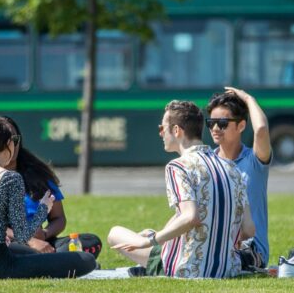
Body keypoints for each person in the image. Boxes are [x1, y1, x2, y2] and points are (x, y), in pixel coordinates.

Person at [107, 100, 255, 279]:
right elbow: (248, 229)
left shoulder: (178, 166)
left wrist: (149, 241)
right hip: (226, 268)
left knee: (115, 233)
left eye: (162, 128)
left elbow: (190, 216)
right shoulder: (231, 168)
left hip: (186, 268)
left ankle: (151, 258)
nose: (161, 133)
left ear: (176, 131)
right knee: (148, 232)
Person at [0, 116, 96, 280]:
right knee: (86, 260)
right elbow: (23, 234)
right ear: (9, 143)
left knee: (31, 254)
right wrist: (44, 207)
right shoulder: (9, 177)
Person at [0, 118, 102, 258]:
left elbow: (58, 218)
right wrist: (30, 241)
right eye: (4, 141)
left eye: (15, 139)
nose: (11, 146)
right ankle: (54, 262)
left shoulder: (37, 174)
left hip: (42, 244)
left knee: (90, 242)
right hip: (6, 244)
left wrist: (45, 233)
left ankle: (48, 259)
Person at [206, 87, 272, 268]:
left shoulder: (254, 161)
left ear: (241, 125)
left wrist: (248, 98)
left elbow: (261, 130)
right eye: (211, 123)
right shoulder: (207, 162)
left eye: (222, 123)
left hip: (251, 252)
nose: (215, 128)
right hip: (215, 246)